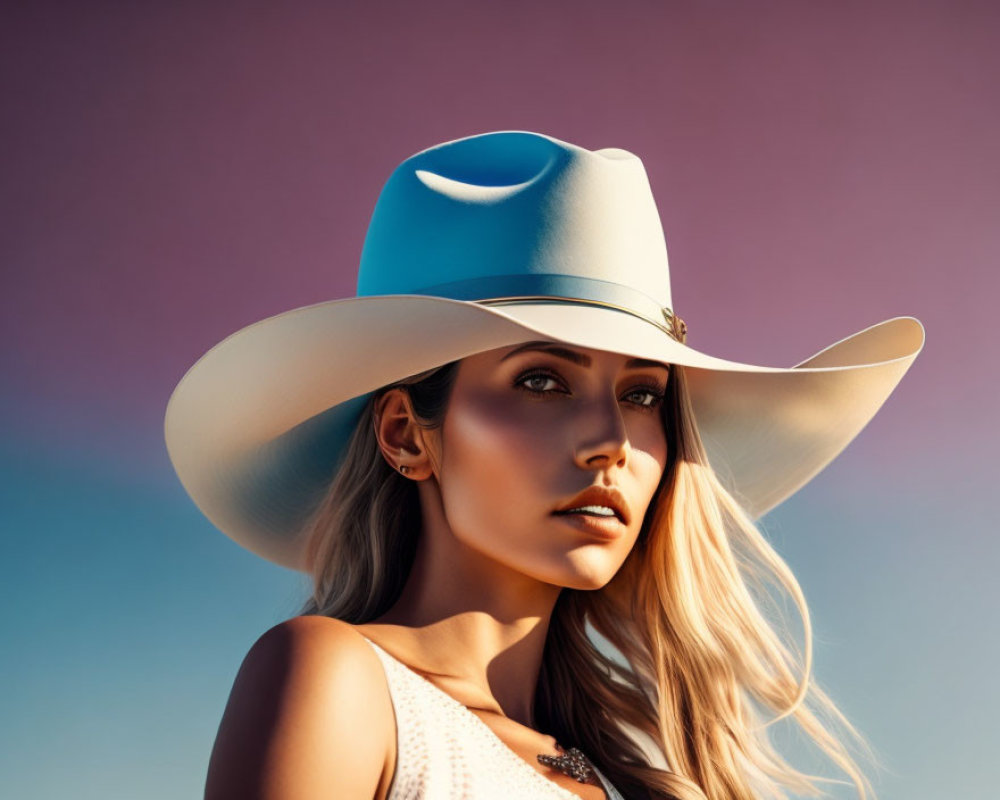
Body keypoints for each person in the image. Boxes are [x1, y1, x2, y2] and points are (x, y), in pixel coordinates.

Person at [165, 131, 924, 800]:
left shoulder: (641, 773)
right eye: (541, 381)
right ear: (406, 434)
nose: (610, 441)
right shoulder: (337, 682)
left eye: (640, 393)